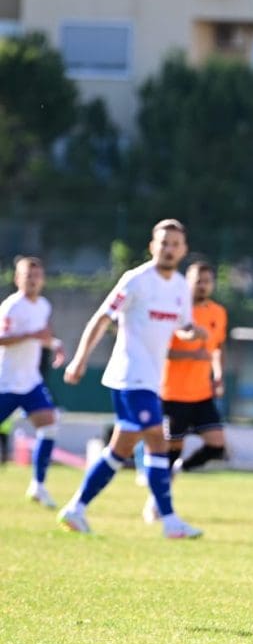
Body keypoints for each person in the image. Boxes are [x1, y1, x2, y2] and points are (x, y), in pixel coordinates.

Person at [60, 220, 207, 539]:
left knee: (119, 450)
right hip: (129, 375)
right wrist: (80, 358)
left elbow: (180, 325)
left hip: (151, 379)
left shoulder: (181, 286)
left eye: (175, 244)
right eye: (163, 243)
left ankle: (76, 508)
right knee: (157, 439)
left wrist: (192, 332)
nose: (169, 249)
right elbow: (102, 317)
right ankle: (169, 521)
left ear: (183, 250)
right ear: (152, 246)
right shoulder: (136, 280)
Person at [143, 261, 229, 524]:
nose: (202, 285)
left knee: (217, 446)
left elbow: (216, 348)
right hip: (173, 393)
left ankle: (182, 469)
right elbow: (162, 349)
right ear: (187, 282)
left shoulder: (218, 312)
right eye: (197, 280)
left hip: (201, 392)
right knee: (170, 451)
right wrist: (190, 352)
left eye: (207, 280)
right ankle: (155, 502)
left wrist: (218, 373)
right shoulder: (176, 309)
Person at [0, 256, 66, 508]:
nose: (32, 280)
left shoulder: (43, 306)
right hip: (6, 382)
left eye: (36, 275)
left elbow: (43, 335)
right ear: (17, 279)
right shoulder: (11, 307)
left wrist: (56, 345)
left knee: (49, 424)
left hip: (30, 382)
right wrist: (30, 335)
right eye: (27, 275)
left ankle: (38, 485)